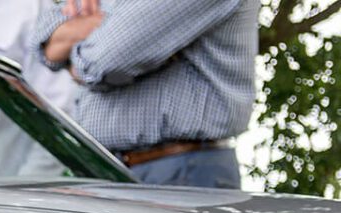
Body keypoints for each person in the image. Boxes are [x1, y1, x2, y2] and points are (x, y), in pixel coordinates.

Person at [32, 0, 259, 188]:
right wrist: (110, 27)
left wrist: (77, 50)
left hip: (179, 173)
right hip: (112, 172)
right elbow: (45, 39)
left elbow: (105, 60)